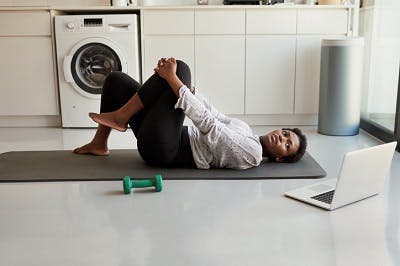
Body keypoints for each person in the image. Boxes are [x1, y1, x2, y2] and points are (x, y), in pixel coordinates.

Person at [73, 58, 307, 170]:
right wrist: (190, 92)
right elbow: (213, 113)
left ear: (279, 158)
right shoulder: (246, 129)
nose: (283, 138)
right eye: (286, 133)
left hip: (165, 150)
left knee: (181, 70)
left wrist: (175, 80)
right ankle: (99, 142)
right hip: (164, 135)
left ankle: (121, 117)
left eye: (287, 145)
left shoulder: (253, 153)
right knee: (116, 80)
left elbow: (207, 125)